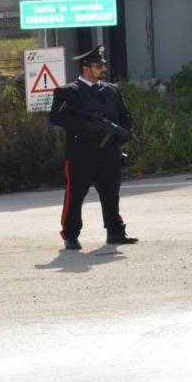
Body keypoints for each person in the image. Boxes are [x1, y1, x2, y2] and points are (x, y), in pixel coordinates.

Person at [48, 45, 138, 250]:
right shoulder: (68, 92)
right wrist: (86, 125)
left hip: (109, 152)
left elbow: (124, 115)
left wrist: (122, 133)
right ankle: (70, 235)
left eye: (103, 65)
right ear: (85, 68)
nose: (102, 69)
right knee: (75, 195)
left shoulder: (111, 90)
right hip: (81, 153)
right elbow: (56, 117)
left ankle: (115, 231)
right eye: (98, 66)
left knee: (111, 193)